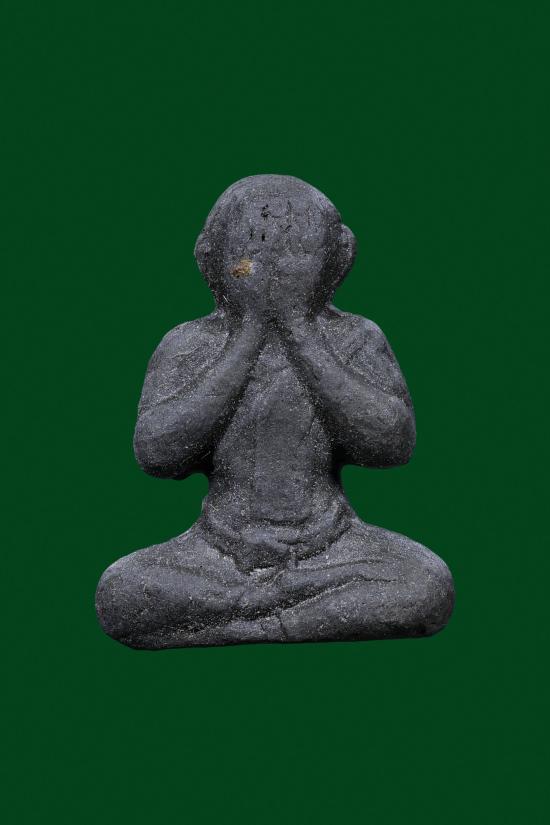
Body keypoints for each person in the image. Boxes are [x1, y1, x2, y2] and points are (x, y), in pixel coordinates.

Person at [96, 174, 454, 648]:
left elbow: (390, 445)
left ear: (337, 259)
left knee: (426, 584)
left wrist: (299, 329)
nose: (274, 269)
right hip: (217, 549)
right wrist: (249, 334)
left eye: (297, 252)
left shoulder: (354, 338)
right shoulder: (189, 343)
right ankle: (284, 610)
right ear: (210, 258)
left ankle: (258, 618)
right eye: (251, 254)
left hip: (329, 547)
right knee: (121, 591)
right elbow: (158, 454)